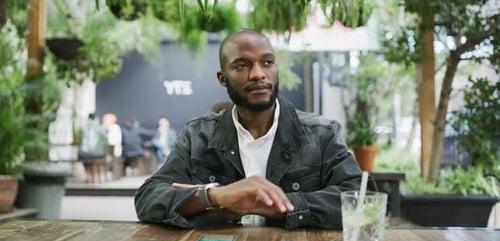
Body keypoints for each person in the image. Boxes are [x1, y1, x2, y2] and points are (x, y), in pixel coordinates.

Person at [135, 29, 368, 229]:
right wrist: (215, 195)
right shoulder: (197, 136)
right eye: (242, 65)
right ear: (222, 78)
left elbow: (362, 198)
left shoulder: (321, 133)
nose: (258, 74)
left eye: (267, 62)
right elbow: (148, 199)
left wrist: (272, 205)